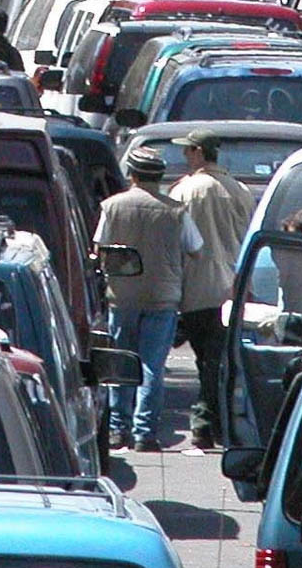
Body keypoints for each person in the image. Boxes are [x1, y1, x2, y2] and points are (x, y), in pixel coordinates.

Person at [95, 146, 202, 452]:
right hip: (163, 297)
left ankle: (118, 429)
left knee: (121, 362)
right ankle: (145, 433)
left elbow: (99, 247)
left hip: (122, 296)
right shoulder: (176, 211)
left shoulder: (112, 207)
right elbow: (196, 249)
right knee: (152, 365)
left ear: (132, 174)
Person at [168, 129, 255, 450]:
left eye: (188, 150)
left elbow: (175, 241)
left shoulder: (184, 190)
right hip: (234, 289)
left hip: (197, 288)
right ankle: (217, 424)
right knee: (220, 362)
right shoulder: (241, 191)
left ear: (199, 152)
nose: (184, 156)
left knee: (207, 360)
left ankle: (205, 422)